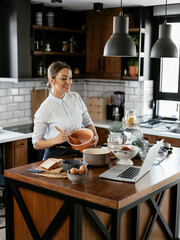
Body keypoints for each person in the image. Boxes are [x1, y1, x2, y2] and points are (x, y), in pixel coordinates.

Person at [32, 61, 99, 160]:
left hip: (78, 153)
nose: (69, 82)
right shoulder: (44, 109)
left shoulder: (76, 97)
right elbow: (36, 143)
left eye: (70, 78)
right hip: (56, 156)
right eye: (64, 79)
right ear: (52, 80)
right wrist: (56, 140)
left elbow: (88, 123)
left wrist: (95, 137)